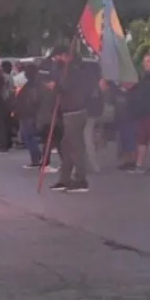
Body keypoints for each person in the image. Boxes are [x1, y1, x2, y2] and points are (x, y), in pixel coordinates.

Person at [48, 47, 102, 194]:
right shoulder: (66, 71)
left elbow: (71, 90)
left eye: (63, 56)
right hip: (69, 112)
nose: (59, 59)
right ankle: (65, 179)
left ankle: (81, 180)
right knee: (66, 146)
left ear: (70, 58)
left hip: (75, 112)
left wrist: (57, 88)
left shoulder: (75, 73)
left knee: (76, 146)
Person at [15, 65, 45, 170]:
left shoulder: (33, 85)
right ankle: (36, 157)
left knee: (29, 136)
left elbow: (33, 100)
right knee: (28, 136)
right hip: (27, 113)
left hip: (29, 113)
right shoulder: (31, 84)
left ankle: (36, 158)